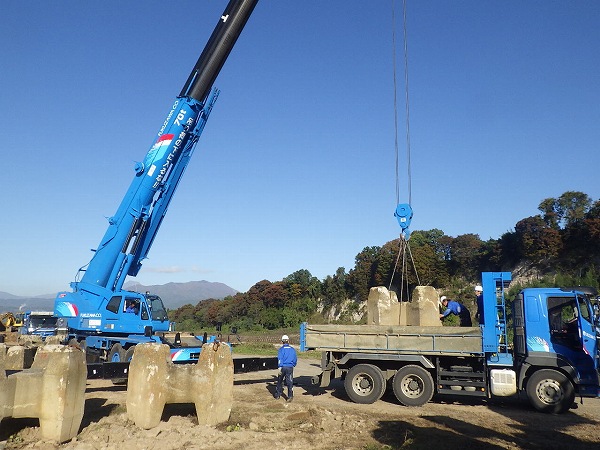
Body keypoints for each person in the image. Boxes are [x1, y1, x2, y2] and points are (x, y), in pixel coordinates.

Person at [274, 334, 297, 402]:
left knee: (280, 381)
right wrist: (293, 364)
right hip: (290, 367)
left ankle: (278, 395)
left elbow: (280, 359)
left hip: (283, 367)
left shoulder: (281, 350)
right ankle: (290, 396)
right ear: (288, 341)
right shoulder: (292, 350)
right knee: (290, 382)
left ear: (282, 341)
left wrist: (279, 367)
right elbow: (295, 359)